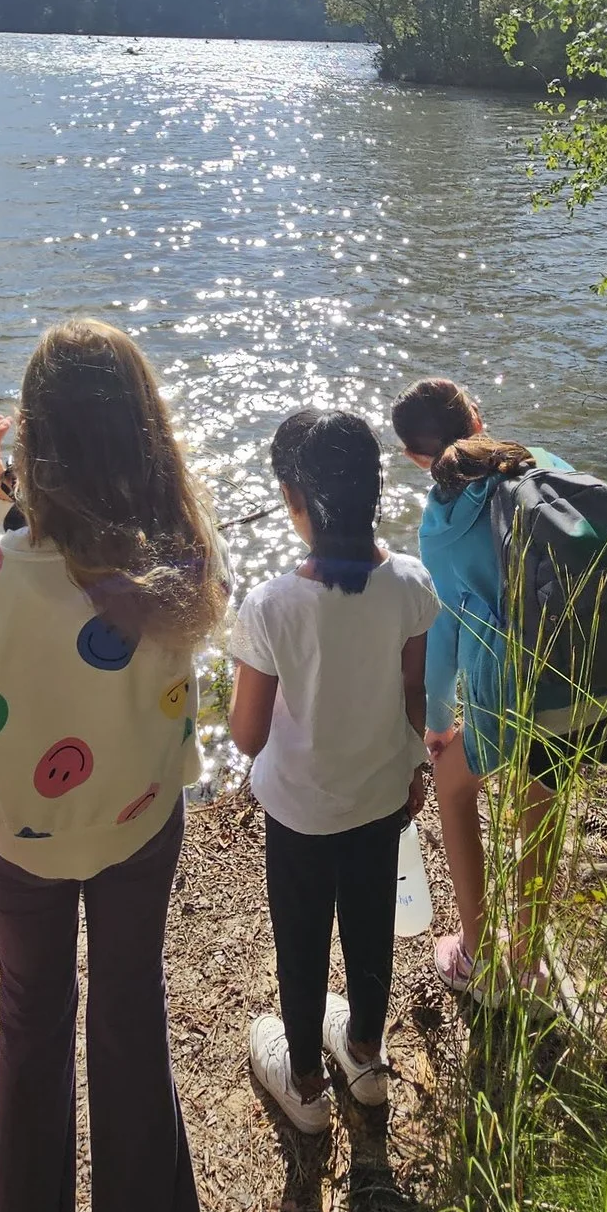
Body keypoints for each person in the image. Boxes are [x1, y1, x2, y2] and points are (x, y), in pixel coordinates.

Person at [0, 320, 217, 1212]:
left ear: (35, 445)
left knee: (32, 1015)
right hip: (141, 817)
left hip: (19, 833)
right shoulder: (181, 559)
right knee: (129, 1008)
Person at [227, 409, 436, 1132]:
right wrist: (415, 768)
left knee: (302, 934)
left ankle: (308, 1084)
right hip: (382, 800)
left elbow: (247, 734)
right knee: (373, 925)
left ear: (292, 496)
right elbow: (417, 696)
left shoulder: (270, 604)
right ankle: (365, 1054)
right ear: (374, 492)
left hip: (300, 813)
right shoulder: (411, 581)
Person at [389, 379, 607, 995]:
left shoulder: (441, 524)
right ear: (478, 418)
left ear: (416, 459)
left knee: (452, 778)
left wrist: (437, 723)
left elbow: (443, 638)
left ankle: (475, 953)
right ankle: (528, 958)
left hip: (520, 687)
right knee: (539, 798)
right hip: (591, 673)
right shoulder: (542, 465)